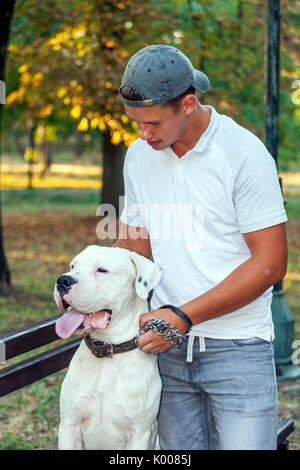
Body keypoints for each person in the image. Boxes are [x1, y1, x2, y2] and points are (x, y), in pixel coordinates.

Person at [113, 44, 288, 450]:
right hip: (167, 350)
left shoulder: (243, 154)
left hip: (238, 347)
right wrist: (93, 288)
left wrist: (184, 316)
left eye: (153, 123)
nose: (143, 134)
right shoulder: (139, 156)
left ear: (188, 104)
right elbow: (133, 249)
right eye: (135, 123)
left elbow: (271, 263)